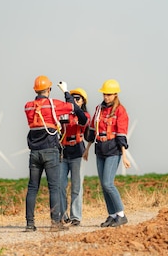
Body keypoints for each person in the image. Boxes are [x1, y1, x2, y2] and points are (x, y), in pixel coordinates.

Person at [23, 75, 86, 232]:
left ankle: (30, 224)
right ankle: (55, 223)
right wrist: (66, 92)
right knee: (55, 187)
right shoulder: (53, 104)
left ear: (35, 89)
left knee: (32, 188)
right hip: (50, 151)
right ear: (49, 89)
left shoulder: (28, 107)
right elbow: (73, 107)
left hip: (34, 153)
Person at [83, 79, 131, 227]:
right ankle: (112, 215)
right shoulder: (98, 109)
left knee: (108, 183)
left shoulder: (120, 111)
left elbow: (121, 134)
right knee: (103, 185)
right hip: (100, 148)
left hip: (113, 149)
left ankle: (121, 215)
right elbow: (92, 130)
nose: (106, 97)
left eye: (109, 95)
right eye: (104, 94)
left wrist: (124, 156)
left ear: (115, 95)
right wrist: (87, 149)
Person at [58, 88, 90, 226]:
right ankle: (62, 215)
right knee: (60, 185)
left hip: (78, 152)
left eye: (78, 98)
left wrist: (73, 105)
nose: (75, 100)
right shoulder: (64, 115)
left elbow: (83, 121)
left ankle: (76, 217)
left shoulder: (85, 116)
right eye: (73, 98)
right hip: (63, 152)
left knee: (76, 186)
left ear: (83, 101)